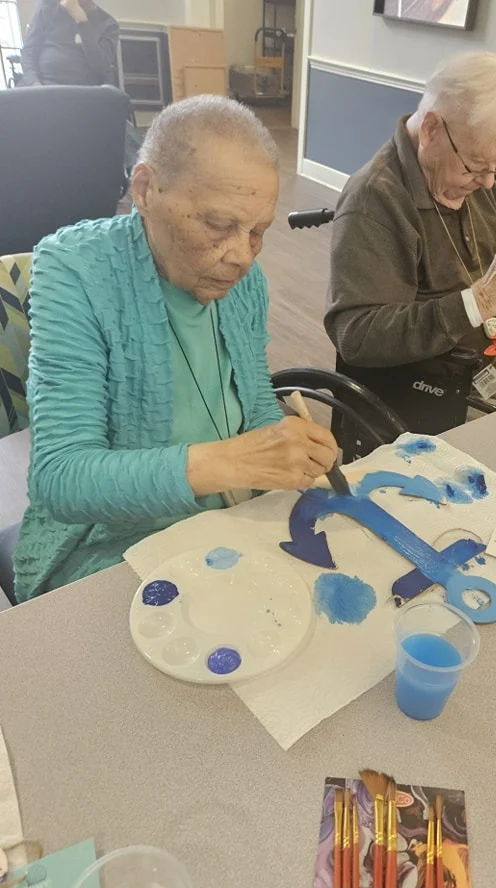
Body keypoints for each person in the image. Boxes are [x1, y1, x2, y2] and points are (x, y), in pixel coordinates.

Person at [13, 96, 338, 602]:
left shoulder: (243, 285)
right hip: (111, 542)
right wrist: (232, 462)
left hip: (228, 519)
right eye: (216, 225)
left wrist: (281, 442)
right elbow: (61, 477)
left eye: (257, 233)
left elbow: (251, 407)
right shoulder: (74, 270)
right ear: (145, 189)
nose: (241, 257)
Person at [325, 52, 496, 408]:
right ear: (430, 130)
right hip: (453, 392)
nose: (489, 183)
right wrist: (480, 302)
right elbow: (357, 337)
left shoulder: (466, 173)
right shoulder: (374, 199)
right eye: (477, 167)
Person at [20, 0, 119, 87]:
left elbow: (101, 68)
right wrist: (34, 83)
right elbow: (28, 51)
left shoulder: (108, 24)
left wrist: (82, 21)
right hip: (44, 86)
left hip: (85, 93)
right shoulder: (47, 6)